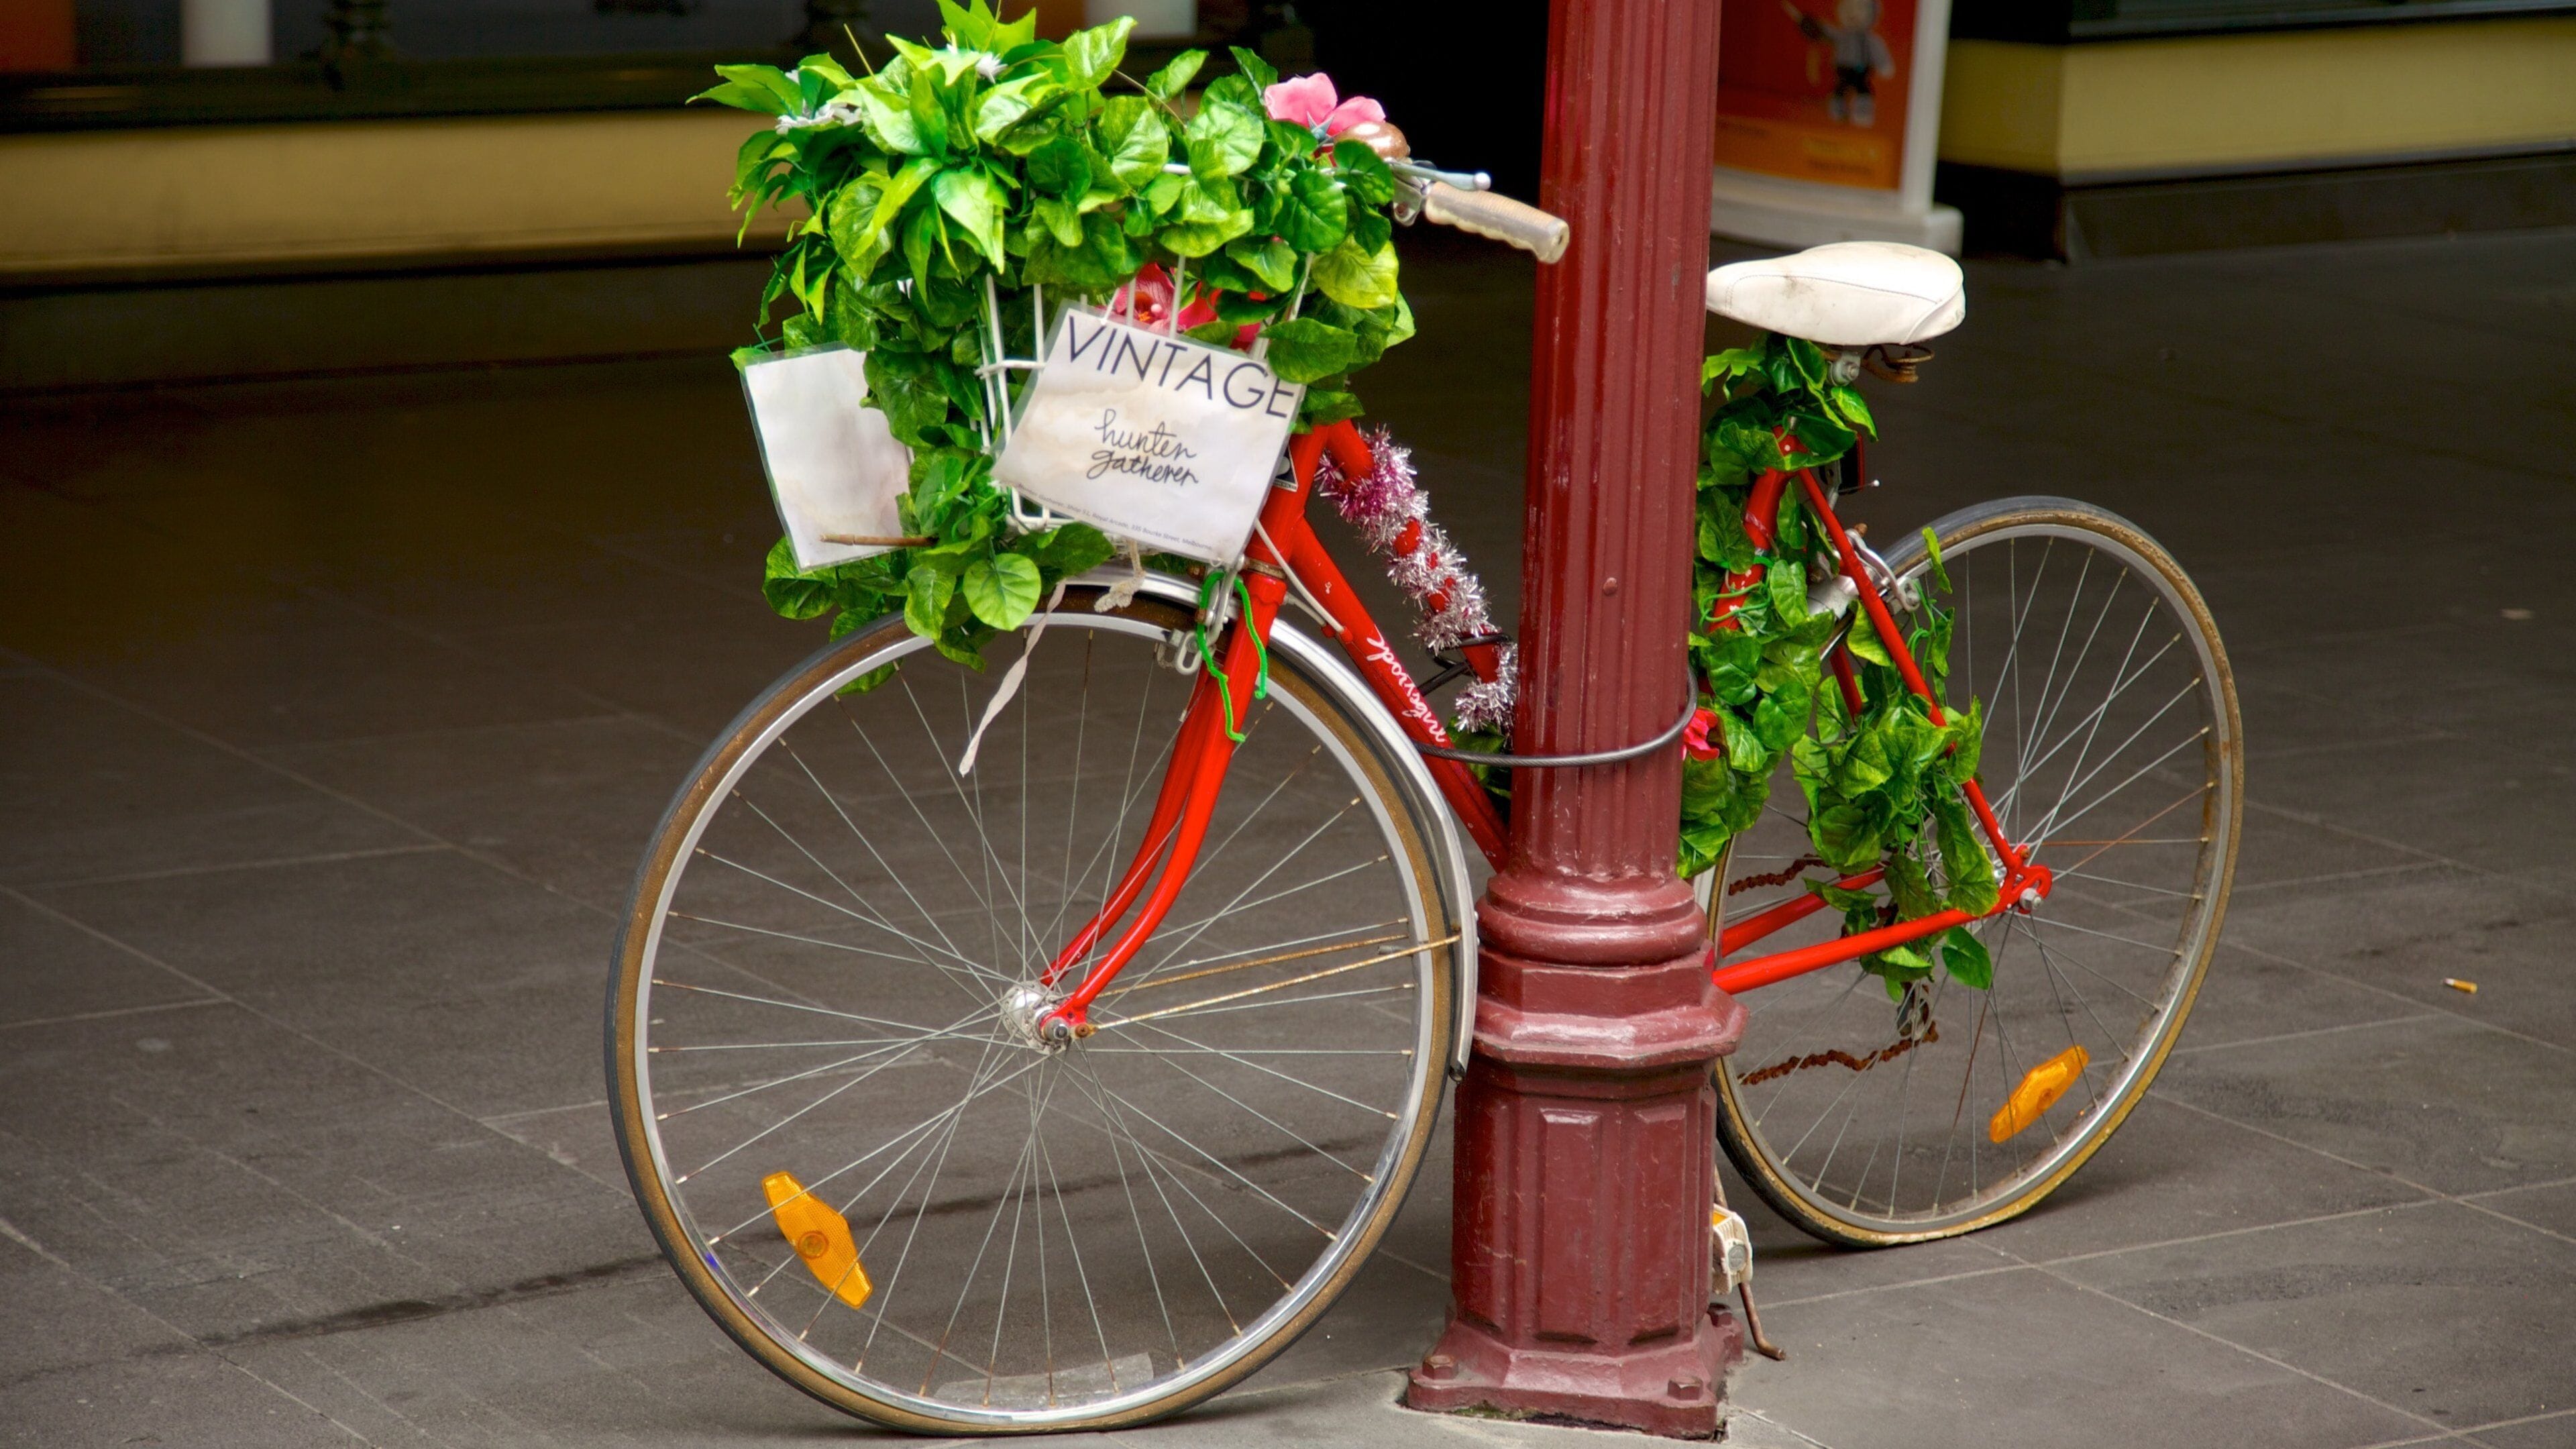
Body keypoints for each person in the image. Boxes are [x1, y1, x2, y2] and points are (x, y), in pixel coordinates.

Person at [1779, 0, 1896, 126]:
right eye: (1848, 9)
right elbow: (1826, 31)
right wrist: (1810, 24)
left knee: (1863, 90)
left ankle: (1863, 113)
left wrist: (1884, 65)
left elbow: (1878, 51)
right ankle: (1837, 112)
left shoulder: (1871, 40)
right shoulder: (1841, 35)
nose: (1853, 14)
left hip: (1860, 70)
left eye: (1860, 10)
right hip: (1842, 70)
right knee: (1839, 90)